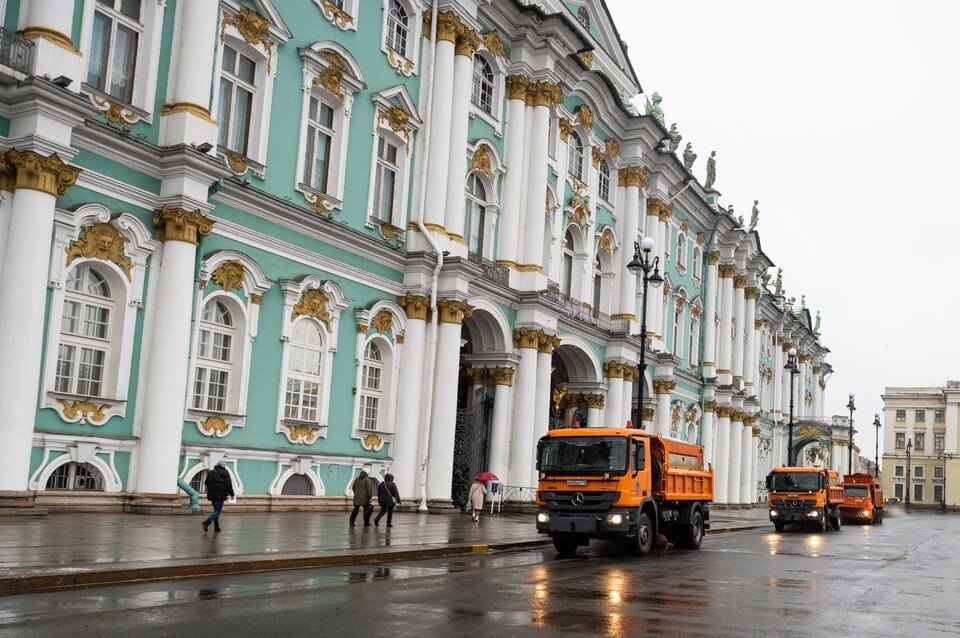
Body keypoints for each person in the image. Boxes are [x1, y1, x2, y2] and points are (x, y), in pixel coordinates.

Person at [202, 460, 234, 533]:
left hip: (211, 495)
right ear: (223, 465)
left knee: (215, 511)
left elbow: (206, 483)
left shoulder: (211, 472)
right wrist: (232, 494)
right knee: (217, 511)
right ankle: (207, 522)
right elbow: (228, 485)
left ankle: (216, 527)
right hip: (220, 495)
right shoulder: (225, 472)